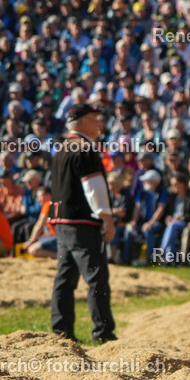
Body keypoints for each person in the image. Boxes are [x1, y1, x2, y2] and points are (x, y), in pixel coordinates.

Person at [48, 103, 116, 344]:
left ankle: (61, 331)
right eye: (95, 118)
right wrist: (107, 217)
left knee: (64, 279)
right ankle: (103, 333)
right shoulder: (86, 149)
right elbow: (94, 188)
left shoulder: (61, 150)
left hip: (62, 222)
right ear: (83, 121)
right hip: (82, 223)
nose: (99, 123)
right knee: (96, 278)